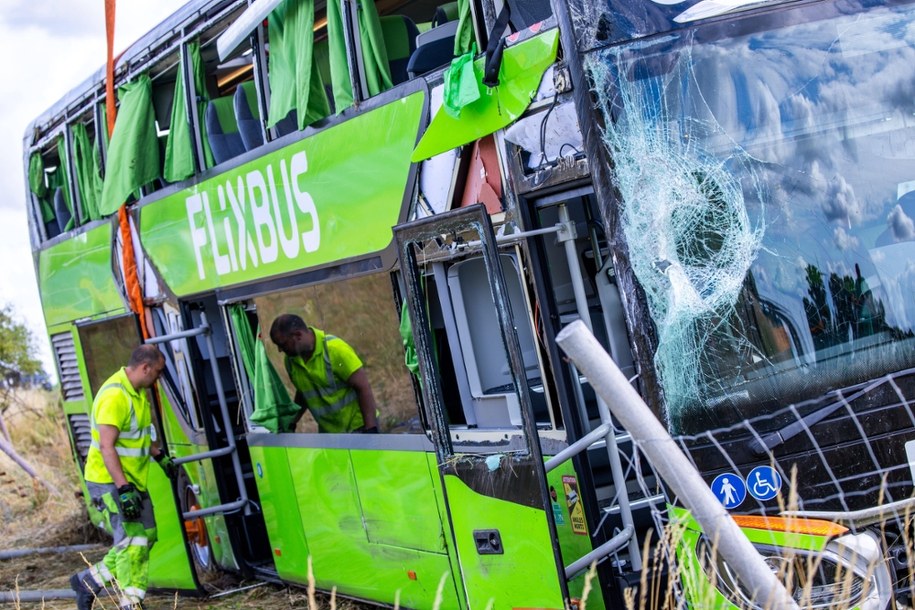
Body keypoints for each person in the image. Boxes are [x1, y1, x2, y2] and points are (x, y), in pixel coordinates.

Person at [69, 344, 177, 610]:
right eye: (159, 372)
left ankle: (89, 581)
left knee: (147, 535)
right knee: (132, 541)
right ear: (145, 367)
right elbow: (107, 446)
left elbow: (137, 434)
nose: (159, 378)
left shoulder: (138, 393)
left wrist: (159, 455)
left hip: (131, 480)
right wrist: (123, 488)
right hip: (110, 481)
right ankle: (131, 603)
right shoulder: (114, 396)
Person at [270, 313, 380, 433]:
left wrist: (370, 429)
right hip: (329, 434)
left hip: (359, 427)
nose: (280, 350)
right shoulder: (291, 361)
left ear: (298, 335)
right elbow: (304, 392)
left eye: (283, 344)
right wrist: (292, 421)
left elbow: (363, 387)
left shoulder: (335, 349)